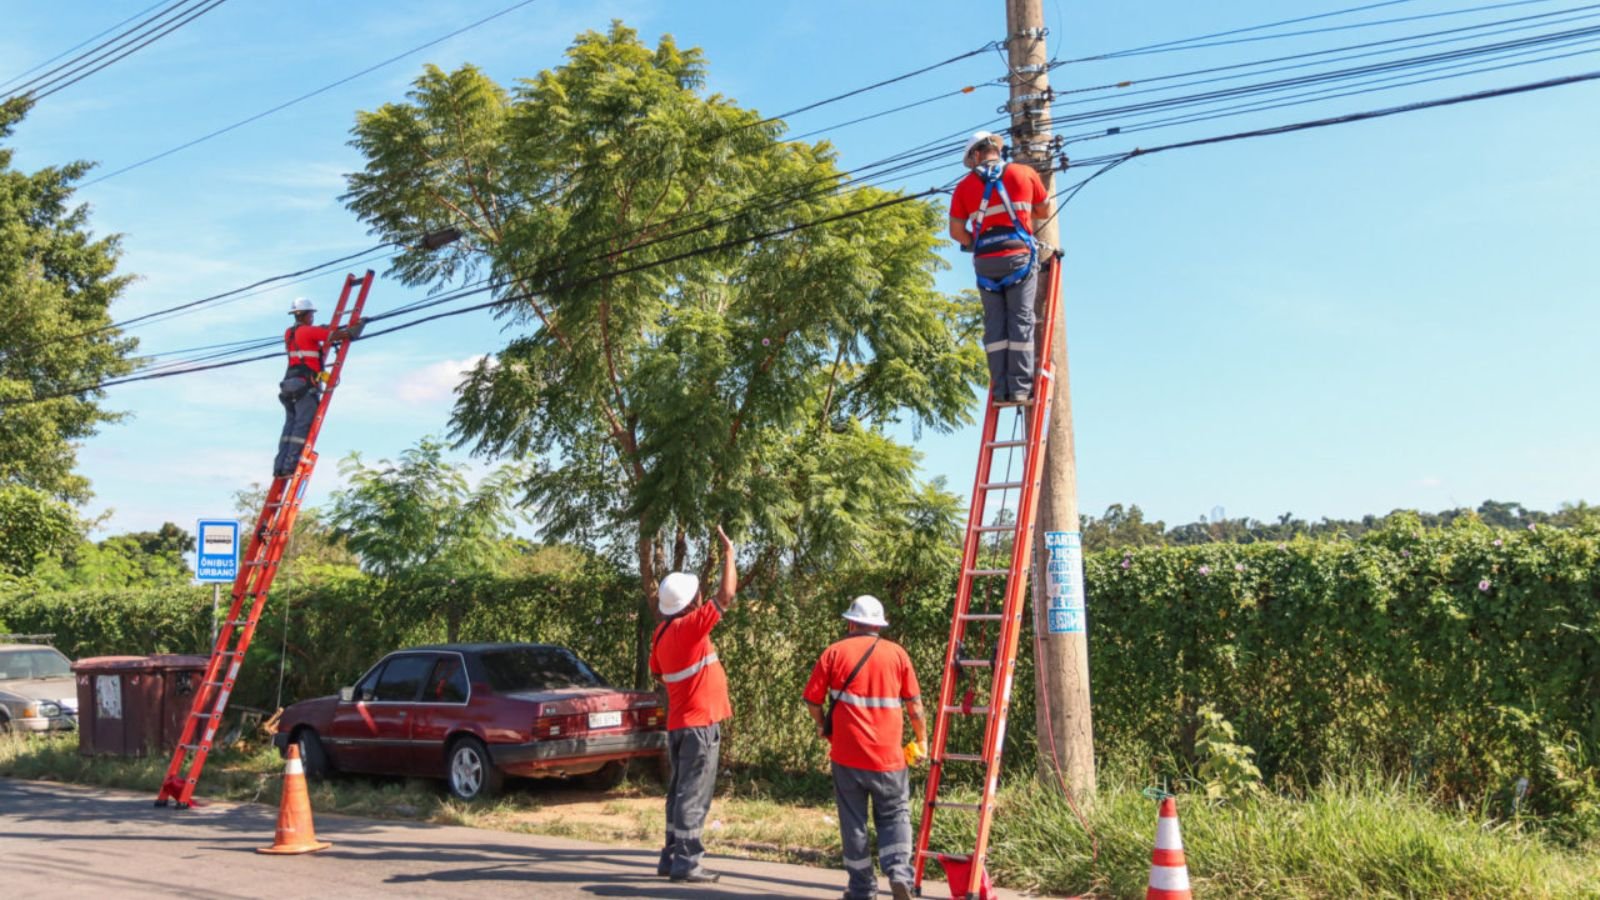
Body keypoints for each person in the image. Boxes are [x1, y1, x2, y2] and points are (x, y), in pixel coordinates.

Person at [803, 595, 927, 900]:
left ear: (851, 622)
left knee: (853, 820)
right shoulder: (897, 654)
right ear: (879, 625)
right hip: (889, 758)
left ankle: (861, 888)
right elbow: (914, 704)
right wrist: (922, 738)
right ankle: (899, 873)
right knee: (895, 814)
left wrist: (822, 726)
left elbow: (812, 700)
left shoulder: (833, 653)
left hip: (846, 756)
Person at [649, 525, 737, 884]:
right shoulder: (689, 628)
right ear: (689, 603)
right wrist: (729, 553)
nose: (702, 597)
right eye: (697, 594)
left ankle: (671, 856)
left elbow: (658, 674)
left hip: (680, 724)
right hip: (700, 725)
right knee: (693, 792)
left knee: (678, 791)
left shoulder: (661, 634)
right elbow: (726, 595)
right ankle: (687, 862)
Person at [948, 131, 1053, 404]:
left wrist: (976, 241)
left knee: (995, 325)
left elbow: (956, 232)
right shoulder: (1024, 173)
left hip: (985, 263)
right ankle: (1019, 388)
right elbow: (1043, 210)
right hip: (1018, 256)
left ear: (976, 154)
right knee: (1020, 320)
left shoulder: (963, 187)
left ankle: (1000, 389)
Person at [273, 297, 358, 478]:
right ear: (308, 314)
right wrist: (355, 329)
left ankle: (280, 466)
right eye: (311, 314)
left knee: (289, 426)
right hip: (305, 386)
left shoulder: (289, 333)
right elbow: (337, 336)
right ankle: (290, 465)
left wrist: (322, 329)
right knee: (302, 426)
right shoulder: (309, 331)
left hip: (288, 384)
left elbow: (314, 337)